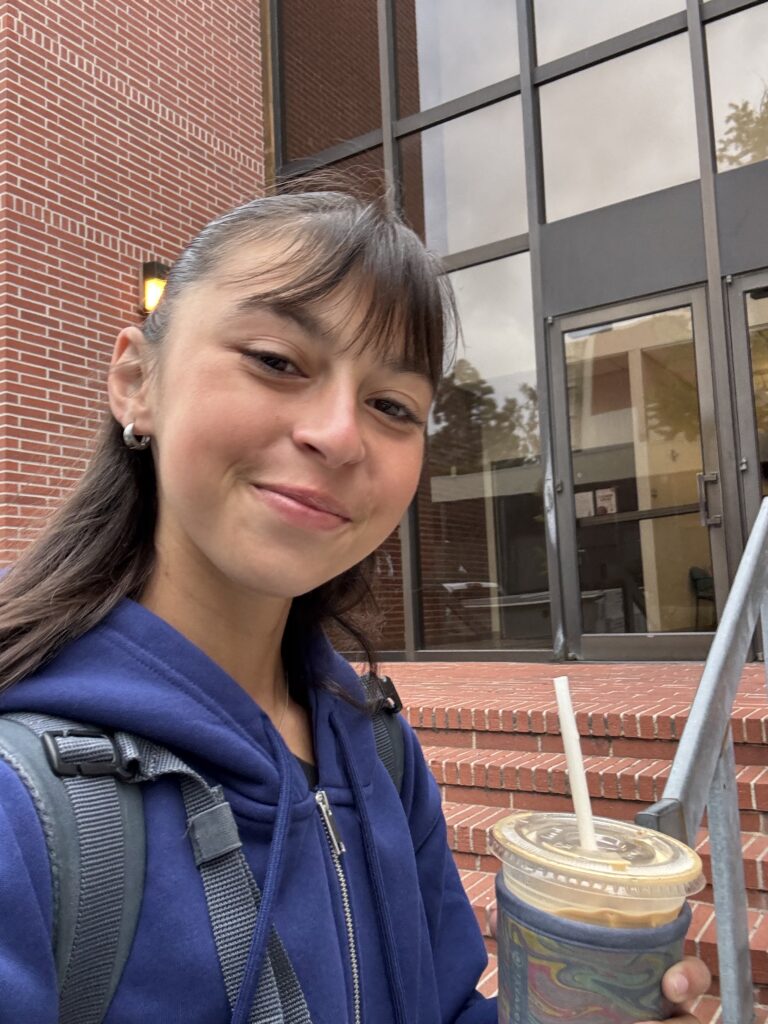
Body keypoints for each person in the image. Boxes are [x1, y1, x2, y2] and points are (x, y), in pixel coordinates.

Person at [0, 191, 710, 1022]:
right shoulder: (24, 812)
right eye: (275, 359)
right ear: (136, 382)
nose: (340, 434)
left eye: (393, 406)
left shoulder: (376, 746)